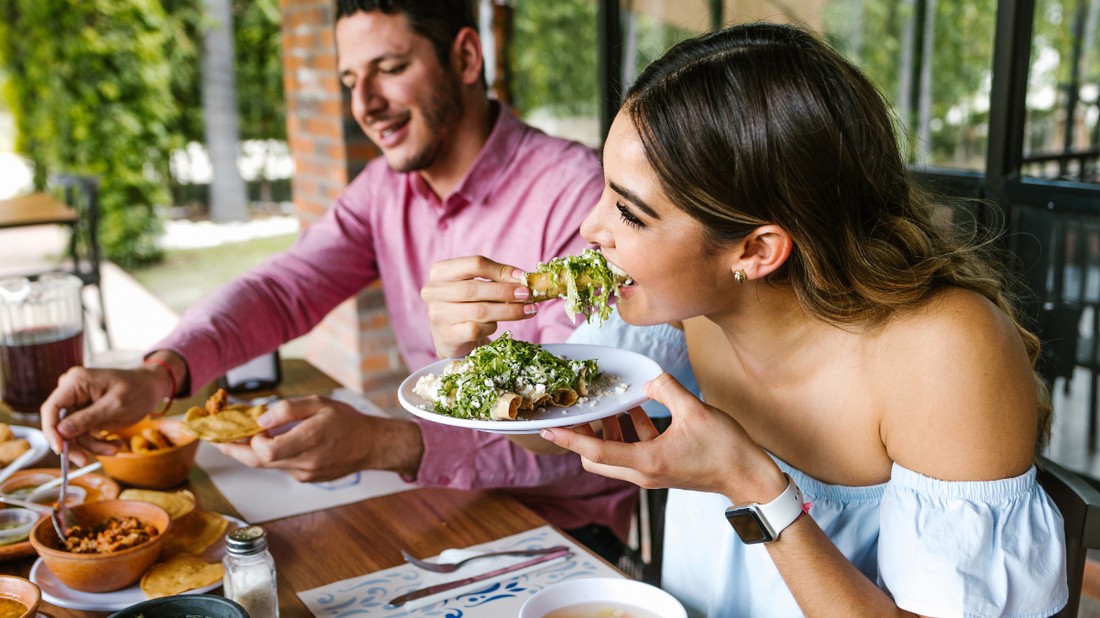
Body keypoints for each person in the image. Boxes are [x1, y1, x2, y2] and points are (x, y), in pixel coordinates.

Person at [424, 22, 1068, 617]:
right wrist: (473, 365)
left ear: (756, 250)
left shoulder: (945, 352)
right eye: (605, 189)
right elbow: (557, 434)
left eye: (630, 213)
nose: (590, 230)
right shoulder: (685, 308)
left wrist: (753, 486)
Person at [39, 0, 637, 562]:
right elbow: (285, 288)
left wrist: (386, 444)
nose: (365, 105)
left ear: (465, 58)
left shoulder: (575, 195)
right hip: (438, 498)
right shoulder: (384, 189)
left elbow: (589, 433)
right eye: (351, 81)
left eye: (390, 69)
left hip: (565, 530)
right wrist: (160, 373)